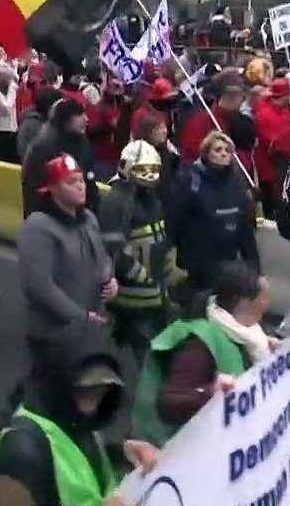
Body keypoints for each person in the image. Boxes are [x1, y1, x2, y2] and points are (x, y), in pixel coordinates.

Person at [0, 321, 158, 506]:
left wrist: (122, 452)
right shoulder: (22, 451)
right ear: (61, 384)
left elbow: (73, 457)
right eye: (85, 389)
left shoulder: (73, 419)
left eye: (103, 389)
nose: (94, 400)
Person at [133, 263, 270, 446]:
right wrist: (209, 392)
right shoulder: (199, 343)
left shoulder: (245, 336)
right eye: (265, 297)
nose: (269, 303)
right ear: (246, 302)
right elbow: (168, 403)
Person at [17, 154, 115, 356]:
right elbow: (39, 284)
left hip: (90, 327)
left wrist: (110, 278)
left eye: (81, 180)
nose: (81, 186)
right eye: (71, 182)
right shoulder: (38, 226)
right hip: (54, 336)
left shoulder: (88, 219)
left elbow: (102, 257)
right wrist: (79, 316)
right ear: (52, 188)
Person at [98, 141, 182, 365]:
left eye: (153, 169)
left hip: (155, 294)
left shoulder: (152, 200)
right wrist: (141, 276)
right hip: (131, 297)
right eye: (142, 169)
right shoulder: (116, 202)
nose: (149, 175)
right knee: (147, 358)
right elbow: (111, 249)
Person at [167, 131, 260, 292]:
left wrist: (255, 268)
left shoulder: (237, 183)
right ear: (207, 154)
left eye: (227, 150)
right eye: (218, 150)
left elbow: (245, 228)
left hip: (228, 258)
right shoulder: (191, 180)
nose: (224, 153)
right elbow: (176, 219)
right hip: (199, 261)